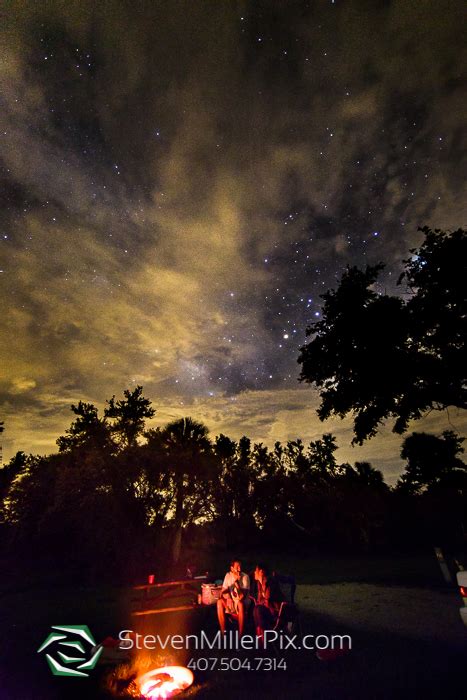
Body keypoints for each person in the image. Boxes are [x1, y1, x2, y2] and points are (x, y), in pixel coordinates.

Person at [217, 558, 250, 636]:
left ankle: (240, 635)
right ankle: (223, 634)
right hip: (231, 603)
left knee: (240, 603)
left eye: (240, 567)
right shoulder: (228, 575)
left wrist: (236, 582)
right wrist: (228, 597)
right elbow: (223, 592)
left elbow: (242, 596)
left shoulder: (245, 577)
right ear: (232, 568)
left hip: (243, 603)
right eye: (237, 567)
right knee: (219, 602)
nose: (240, 569)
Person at [252, 563, 286, 640]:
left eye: (256, 570)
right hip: (266, 611)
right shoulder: (259, 583)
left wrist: (261, 603)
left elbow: (267, 601)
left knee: (258, 610)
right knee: (256, 609)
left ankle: (262, 641)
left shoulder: (269, 582)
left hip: (275, 612)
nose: (254, 572)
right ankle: (261, 640)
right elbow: (259, 601)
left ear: (261, 572)